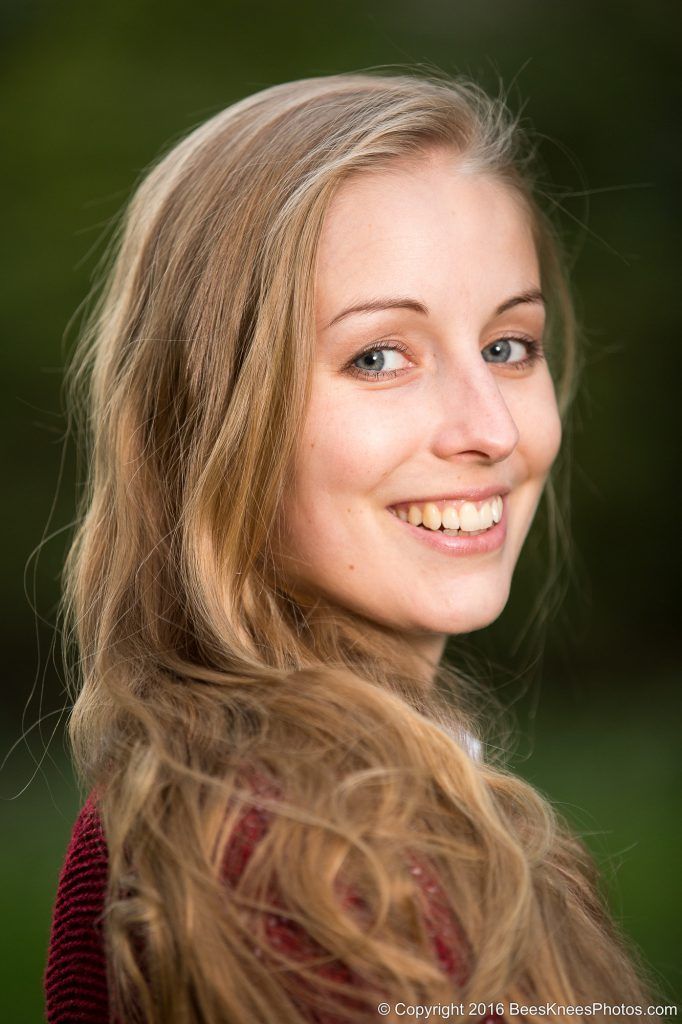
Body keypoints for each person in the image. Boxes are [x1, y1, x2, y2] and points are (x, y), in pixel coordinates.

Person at [44, 71, 655, 1023]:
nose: (488, 428)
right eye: (380, 356)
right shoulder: (287, 863)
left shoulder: (312, 807)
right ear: (209, 417)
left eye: (509, 346)